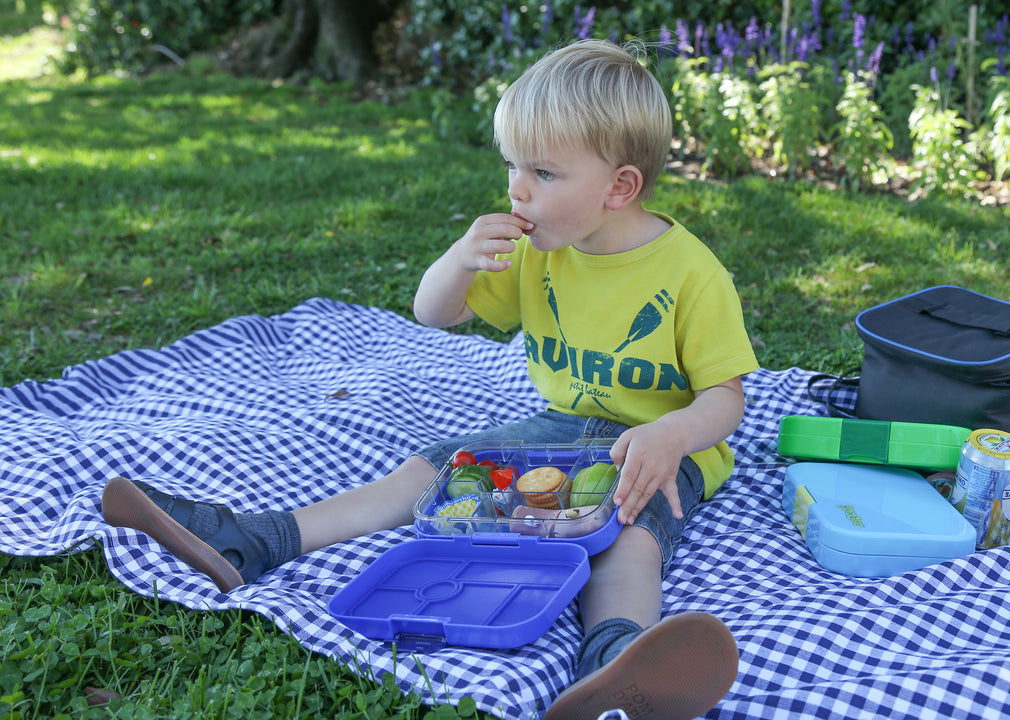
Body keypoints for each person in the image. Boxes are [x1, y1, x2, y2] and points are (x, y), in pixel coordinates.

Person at [102, 38, 757, 720]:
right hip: (560, 427)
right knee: (439, 467)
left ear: (620, 186)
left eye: (543, 172)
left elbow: (726, 398)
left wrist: (673, 433)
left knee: (630, 529)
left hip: (653, 447)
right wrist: (460, 259)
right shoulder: (539, 250)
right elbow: (432, 314)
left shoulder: (691, 274)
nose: (517, 188)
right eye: (511, 165)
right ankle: (257, 539)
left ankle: (618, 657)